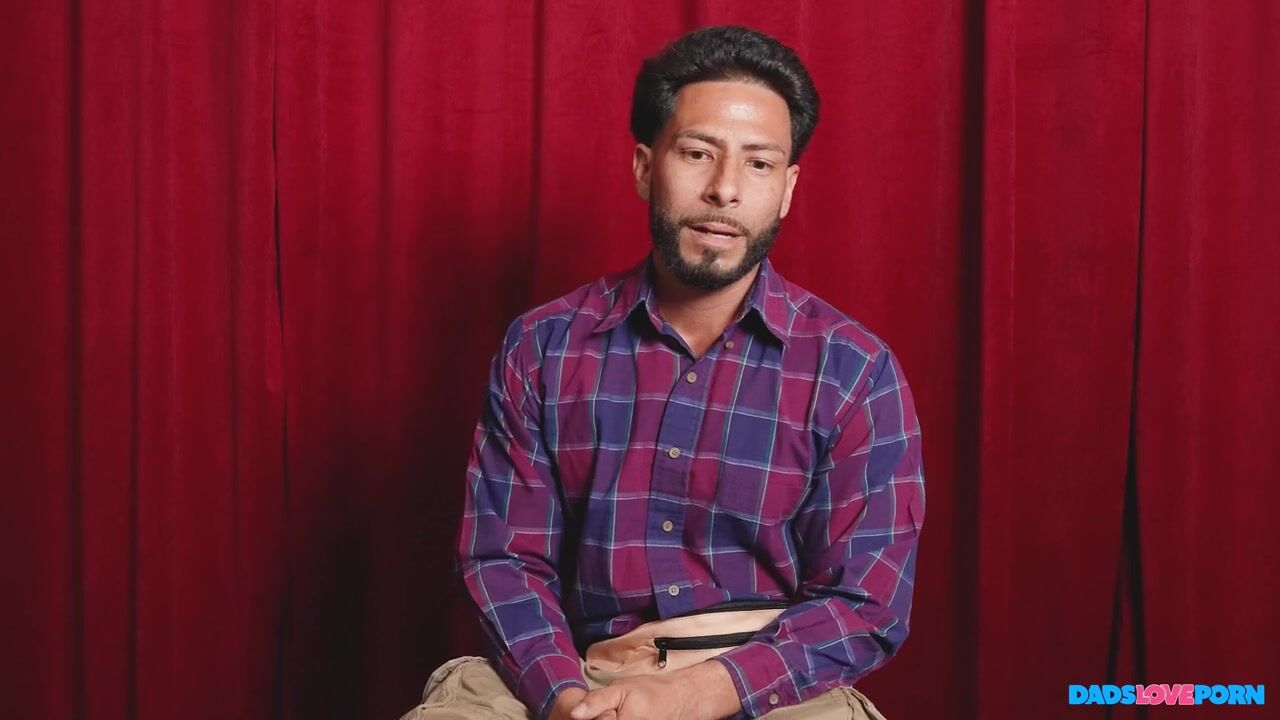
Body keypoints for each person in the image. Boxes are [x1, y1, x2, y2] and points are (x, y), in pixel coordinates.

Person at [401, 25, 924, 720]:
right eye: (698, 153)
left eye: (759, 164)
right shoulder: (543, 347)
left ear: (787, 189)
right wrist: (567, 699)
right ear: (646, 167)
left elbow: (866, 603)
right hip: (581, 673)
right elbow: (504, 559)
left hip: (768, 689)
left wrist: (690, 696)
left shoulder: (855, 372)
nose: (725, 189)